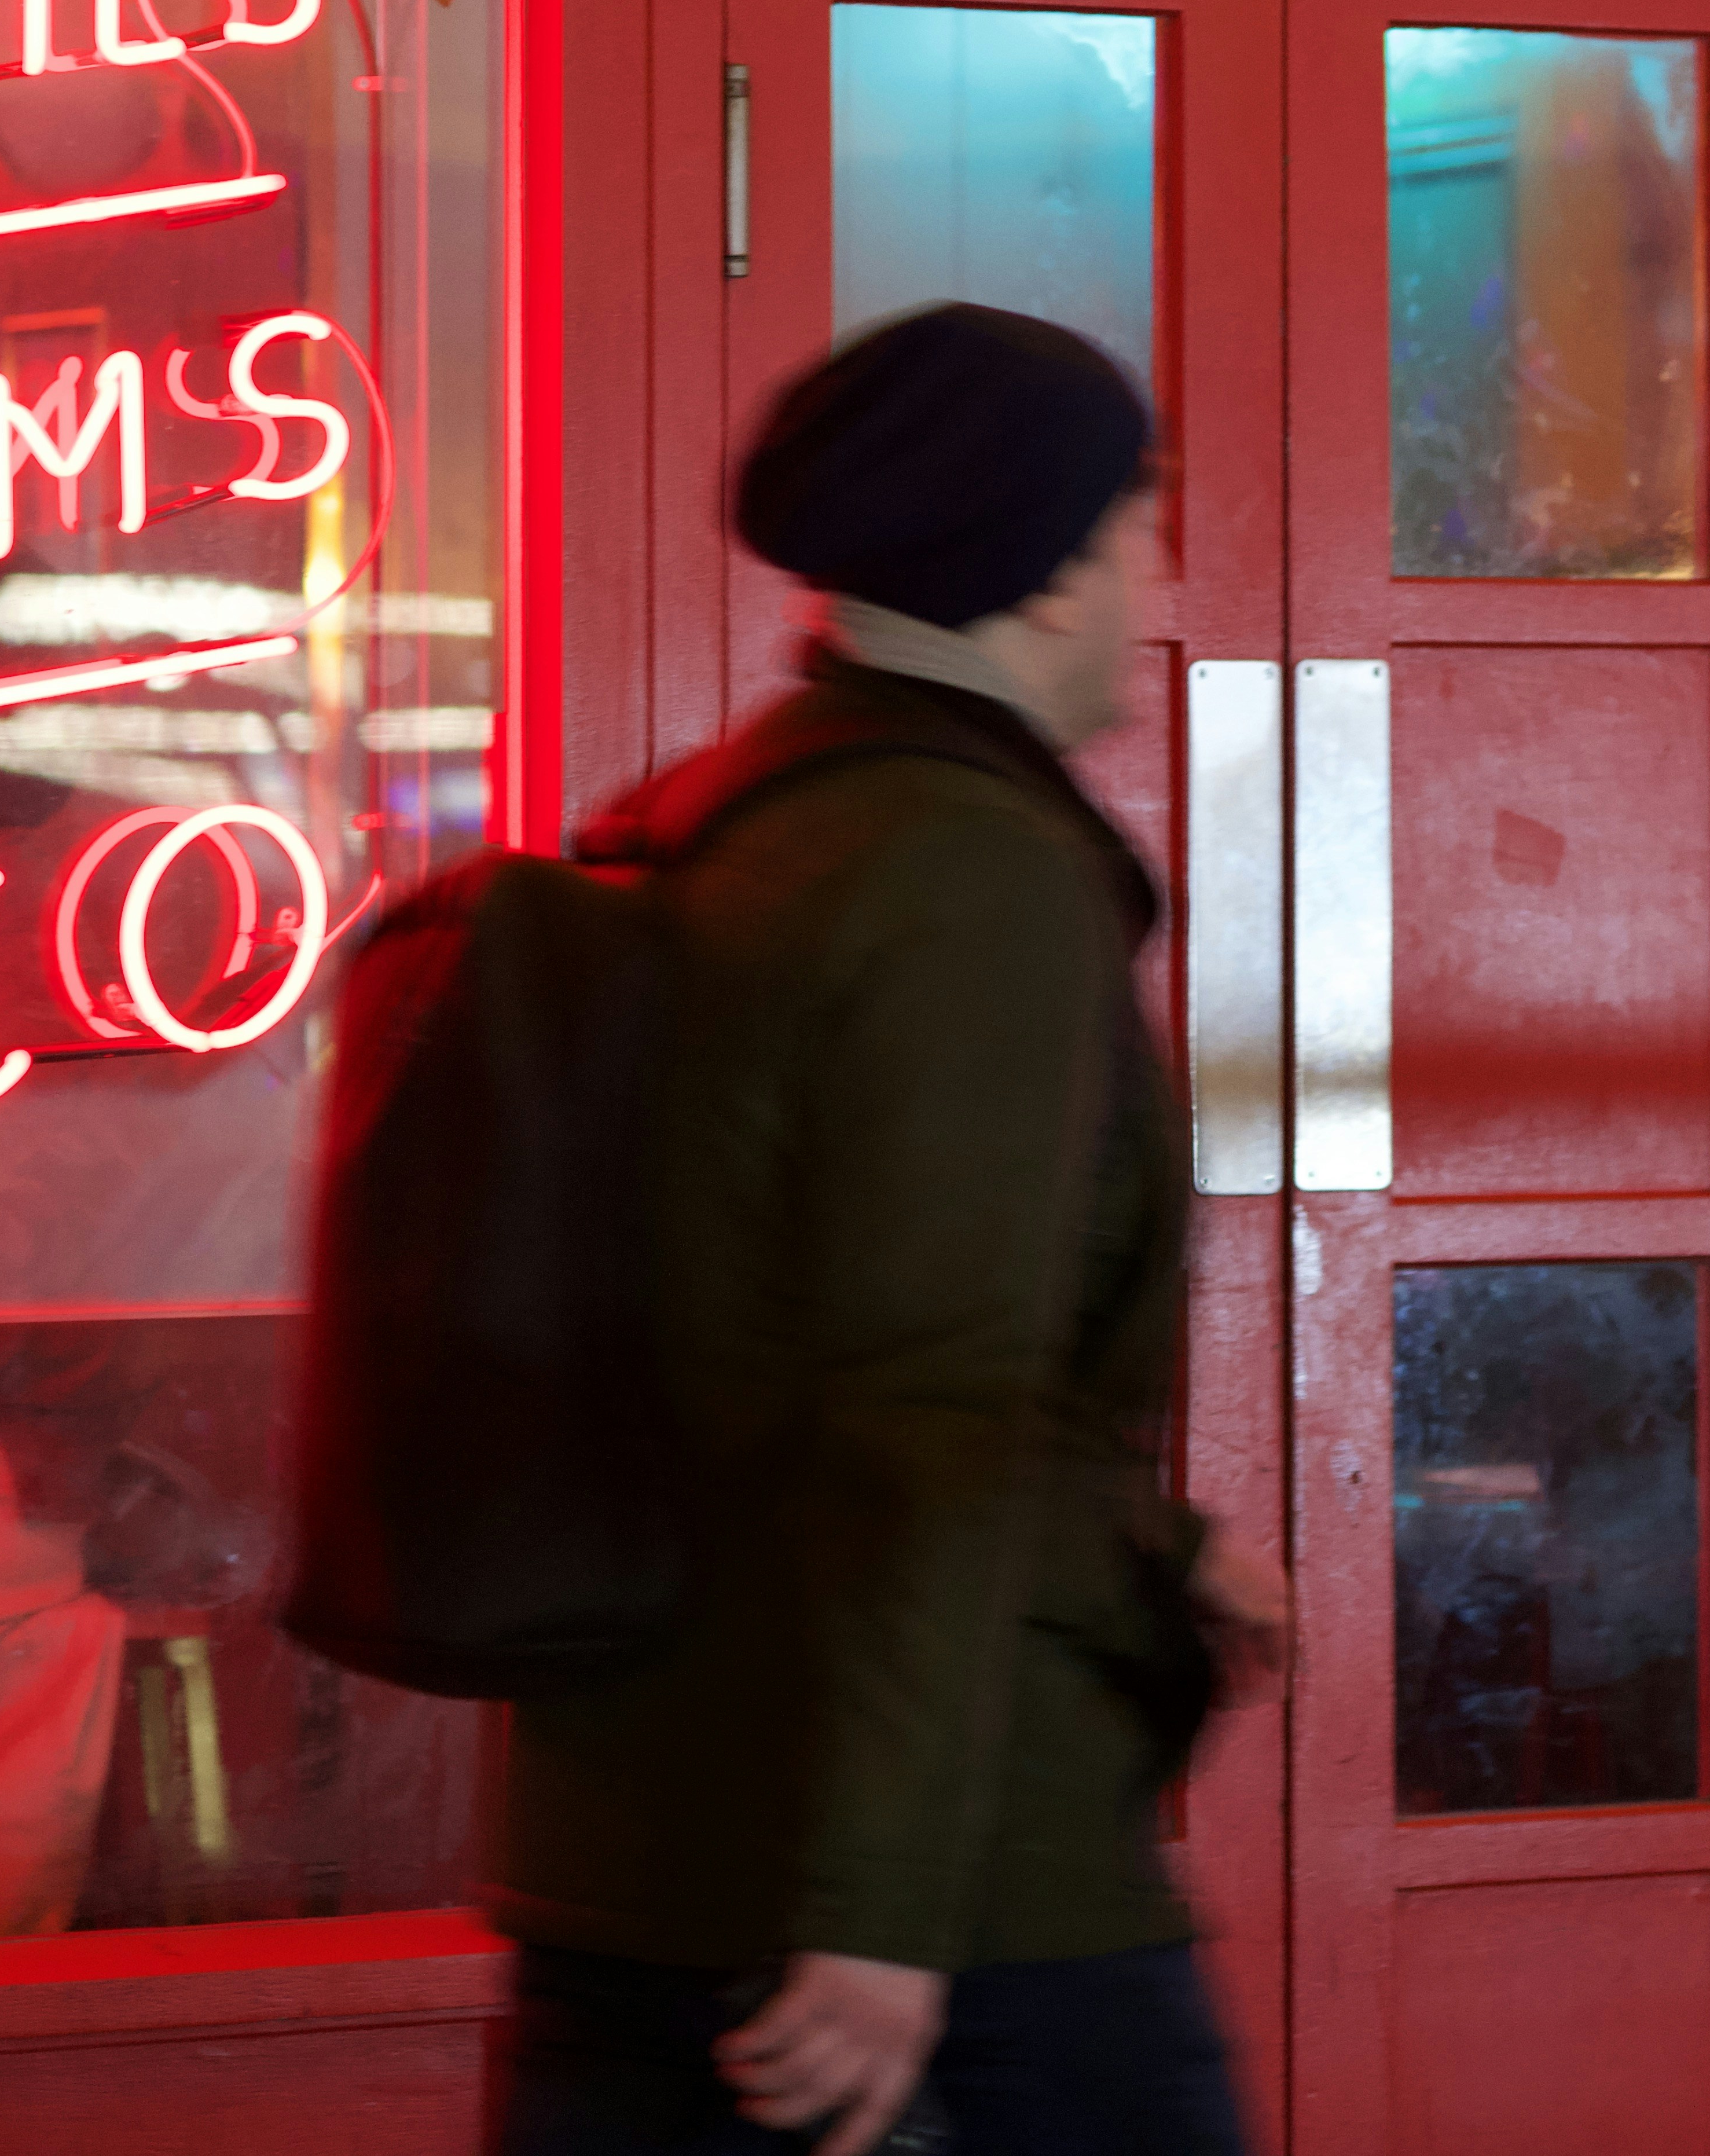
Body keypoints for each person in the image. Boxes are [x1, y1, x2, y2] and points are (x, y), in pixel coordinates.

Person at [496, 305, 1282, 2156]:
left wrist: (1156, 1543)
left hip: (633, 1840)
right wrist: (881, 1916)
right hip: (944, 1896)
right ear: (1049, 567)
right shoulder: (964, 871)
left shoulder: (708, 833)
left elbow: (747, 1330)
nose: (1153, 579)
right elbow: (929, 1407)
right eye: (1137, 523)